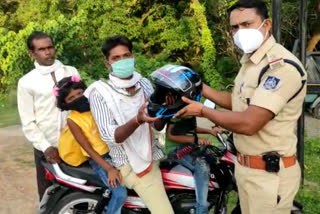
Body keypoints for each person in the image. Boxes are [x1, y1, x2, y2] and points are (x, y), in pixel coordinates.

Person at [174, 0, 307, 214]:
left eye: (246, 24)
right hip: (247, 168)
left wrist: (203, 110)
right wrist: (199, 86)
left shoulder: (281, 67)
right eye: (235, 27)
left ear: (267, 24)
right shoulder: (251, 63)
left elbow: (249, 122)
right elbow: (237, 102)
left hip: (269, 176)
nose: (239, 32)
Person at [84, 35, 174, 214]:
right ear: (107, 64)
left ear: (133, 57)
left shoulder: (144, 84)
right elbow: (111, 137)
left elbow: (156, 126)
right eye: (116, 58)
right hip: (130, 165)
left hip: (153, 155)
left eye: (126, 55)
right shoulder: (100, 93)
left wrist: (166, 111)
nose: (122, 61)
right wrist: (137, 120)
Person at [148, 64, 222, 214]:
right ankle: (202, 208)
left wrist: (210, 131)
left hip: (188, 148)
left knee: (213, 158)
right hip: (176, 151)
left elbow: (189, 129)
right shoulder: (175, 105)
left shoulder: (186, 104)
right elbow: (171, 134)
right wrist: (196, 140)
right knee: (202, 165)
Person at [17, 31, 80, 200]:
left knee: (81, 193)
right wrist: (46, 147)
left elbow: (82, 104)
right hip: (47, 148)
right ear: (32, 53)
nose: (48, 52)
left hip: (76, 144)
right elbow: (28, 122)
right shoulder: (26, 82)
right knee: (49, 196)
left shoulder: (70, 71)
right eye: (41, 49)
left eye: (50, 47)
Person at [53, 76, 127, 214]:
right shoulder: (73, 120)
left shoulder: (96, 106)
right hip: (99, 159)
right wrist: (109, 168)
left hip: (115, 151)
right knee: (120, 194)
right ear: (65, 104)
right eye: (71, 98)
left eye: (80, 93)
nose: (77, 98)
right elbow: (88, 149)